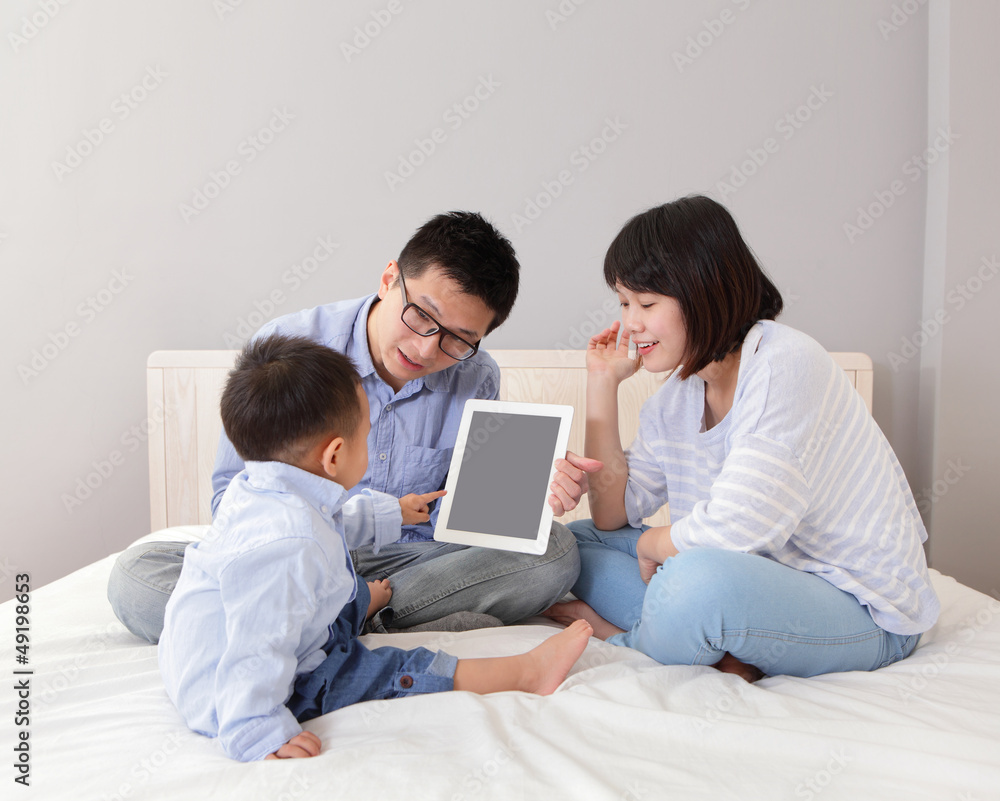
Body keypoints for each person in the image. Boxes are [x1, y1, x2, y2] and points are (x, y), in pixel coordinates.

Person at [109, 211, 582, 643]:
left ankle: (328, 623)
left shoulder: (476, 376)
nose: (425, 350)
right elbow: (231, 499)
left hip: (405, 565)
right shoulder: (288, 349)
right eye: (422, 316)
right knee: (136, 576)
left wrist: (519, 499)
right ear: (389, 278)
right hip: (292, 556)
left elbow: (459, 519)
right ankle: (379, 621)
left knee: (556, 551)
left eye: (459, 339)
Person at [544, 195, 940, 680]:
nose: (630, 323)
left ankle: (622, 637)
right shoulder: (676, 399)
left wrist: (654, 546)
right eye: (624, 303)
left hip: (862, 608)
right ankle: (713, 638)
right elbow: (609, 518)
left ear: (703, 291)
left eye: (646, 303)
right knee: (569, 544)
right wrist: (602, 384)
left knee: (695, 579)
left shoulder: (783, 363)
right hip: (754, 583)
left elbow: (740, 528)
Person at [158, 334, 593, 762]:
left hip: (221, 652)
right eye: (366, 437)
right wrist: (254, 730)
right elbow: (257, 647)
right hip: (231, 693)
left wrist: (396, 513)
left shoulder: (262, 488)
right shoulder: (288, 546)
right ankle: (525, 673)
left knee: (338, 590)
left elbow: (336, 519)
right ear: (334, 457)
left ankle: (363, 606)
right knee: (390, 669)